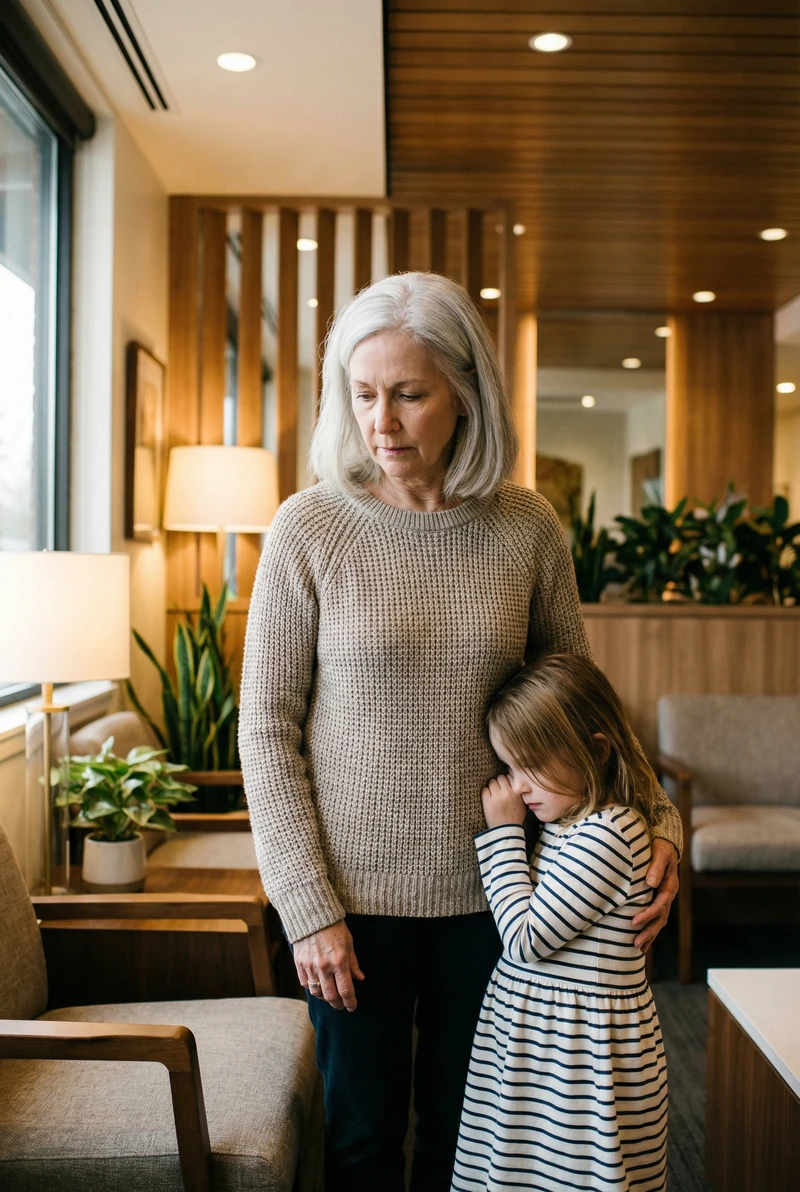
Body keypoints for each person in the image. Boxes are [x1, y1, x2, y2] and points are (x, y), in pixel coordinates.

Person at [238, 272, 680, 1192]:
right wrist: (305, 905)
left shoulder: (526, 528)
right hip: (348, 901)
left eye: (409, 393)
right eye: (363, 394)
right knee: (358, 1138)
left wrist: (661, 826)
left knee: (470, 1136)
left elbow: (582, 708)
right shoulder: (308, 529)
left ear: (466, 393)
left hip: (500, 893)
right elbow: (266, 732)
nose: (381, 422)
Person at [451, 652, 669, 1192]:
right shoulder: (567, 820)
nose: (518, 787)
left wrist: (502, 833)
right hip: (540, 1045)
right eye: (509, 768)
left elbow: (525, 940)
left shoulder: (611, 832)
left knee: (574, 1175)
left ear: (595, 751)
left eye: (532, 767)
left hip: (581, 1061)